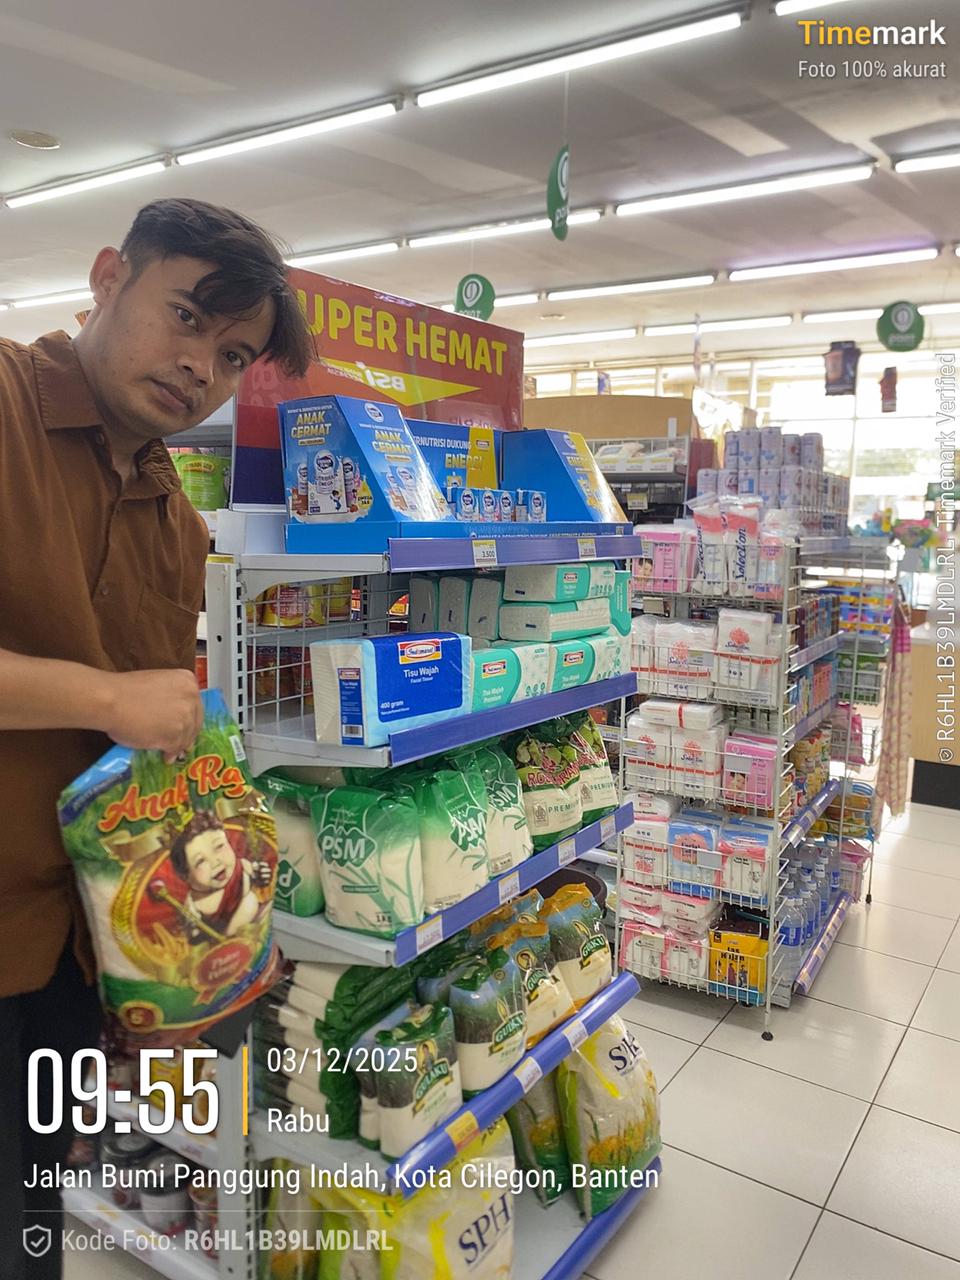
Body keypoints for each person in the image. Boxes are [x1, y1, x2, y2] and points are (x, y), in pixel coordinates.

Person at [0, 197, 312, 1279]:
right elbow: (118, 707)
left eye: (231, 356)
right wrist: (104, 693)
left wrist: (165, 964)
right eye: (185, 316)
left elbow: (132, 776)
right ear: (106, 278)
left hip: (58, 956)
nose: (199, 367)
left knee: (26, 1227)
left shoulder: (178, 523)